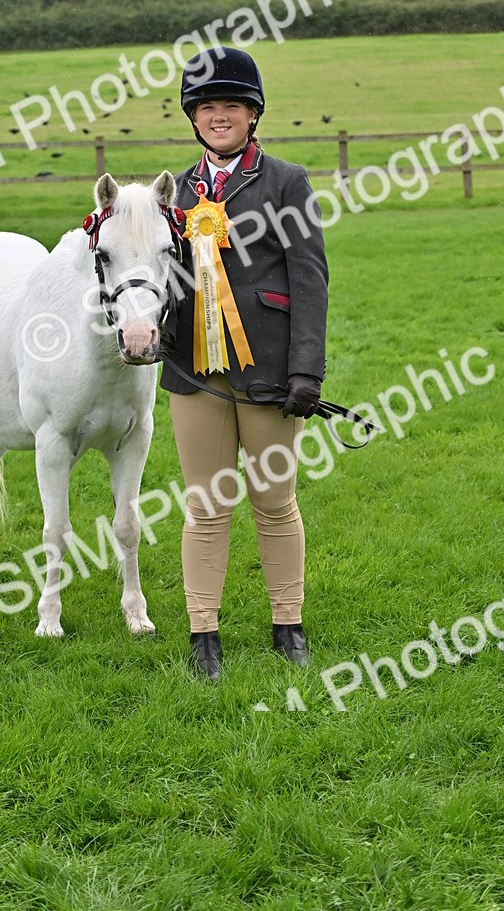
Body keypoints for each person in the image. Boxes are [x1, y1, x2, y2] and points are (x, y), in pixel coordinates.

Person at [160, 46, 329, 680]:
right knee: (205, 504)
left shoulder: (288, 182)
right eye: (208, 108)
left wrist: (306, 370)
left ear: (252, 114)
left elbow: (309, 279)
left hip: (271, 369)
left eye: (231, 105)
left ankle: (289, 624)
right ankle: (204, 635)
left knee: (274, 502)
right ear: (194, 118)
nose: (219, 116)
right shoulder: (172, 190)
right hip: (192, 372)